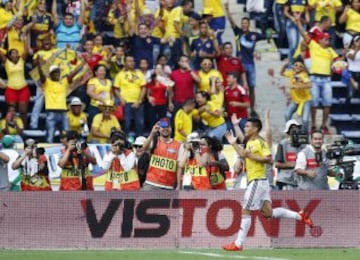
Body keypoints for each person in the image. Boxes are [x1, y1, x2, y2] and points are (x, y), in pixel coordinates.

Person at [223, 118, 314, 251]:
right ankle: (299, 216)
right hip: (260, 181)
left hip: (257, 180)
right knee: (268, 213)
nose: (245, 128)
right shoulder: (251, 142)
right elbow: (244, 154)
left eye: (247, 126)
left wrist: (251, 156)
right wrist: (233, 143)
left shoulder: (258, 142)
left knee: (246, 210)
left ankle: (238, 244)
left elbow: (268, 158)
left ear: (255, 129)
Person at [296, 20, 339, 134]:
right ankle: (314, 125)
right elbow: (304, 35)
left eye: (328, 39)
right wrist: (298, 23)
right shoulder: (314, 46)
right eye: (325, 39)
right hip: (314, 78)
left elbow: (338, 62)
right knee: (314, 103)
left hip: (326, 79)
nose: (327, 41)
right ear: (319, 40)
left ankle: (324, 125)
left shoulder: (331, 50)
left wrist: (340, 61)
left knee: (327, 103)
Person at [225, 4, 264, 118]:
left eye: (246, 23)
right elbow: (232, 23)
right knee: (240, 87)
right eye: (242, 24)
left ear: (249, 25)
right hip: (239, 65)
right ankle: (241, 109)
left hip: (250, 64)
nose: (244, 25)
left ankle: (252, 109)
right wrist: (227, 10)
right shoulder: (238, 32)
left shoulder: (254, 35)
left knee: (251, 87)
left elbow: (266, 36)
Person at [38, 59, 83, 143]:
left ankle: (68, 152)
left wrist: (82, 64)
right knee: (50, 135)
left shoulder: (64, 82)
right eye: (54, 73)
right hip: (51, 112)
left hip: (63, 112)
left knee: (67, 134)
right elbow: (41, 75)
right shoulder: (47, 83)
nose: (57, 74)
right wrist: (39, 66)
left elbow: (73, 74)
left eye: (58, 72)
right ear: (50, 75)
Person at [142, 117, 183, 190]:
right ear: (159, 129)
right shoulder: (154, 140)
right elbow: (144, 148)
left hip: (168, 186)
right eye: (163, 127)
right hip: (151, 184)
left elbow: (179, 167)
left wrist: (179, 185)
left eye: (168, 127)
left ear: (171, 128)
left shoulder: (179, 145)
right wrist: (152, 133)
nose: (165, 129)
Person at [113, 55, 147, 137]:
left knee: (140, 123)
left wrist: (139, 101)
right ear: (125, 63)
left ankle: (140, 143)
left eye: (133, 61)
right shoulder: (120, 75)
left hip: (137, 103)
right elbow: (115, 89)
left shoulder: (139, 74)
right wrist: (121, 99)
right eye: (129, 61)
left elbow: (144, 88)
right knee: (126, 124)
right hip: (125, 103)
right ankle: (124, 141)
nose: (132, 63)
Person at [0, 44, 30, 127]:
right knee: (10, 111)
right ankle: (9, 129)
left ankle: (22, 129)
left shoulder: (21, 61)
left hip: (23, 89)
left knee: (23, 111)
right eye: (13, 53)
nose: (15, 54)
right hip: (11, 90)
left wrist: (24, 38)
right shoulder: (6, 62)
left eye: (16, 53)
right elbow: (1, 54)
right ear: (9, 55)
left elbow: (26, 50)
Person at [280, 59, 312, 133]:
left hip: (305, 101)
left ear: (303, 68)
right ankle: (290, 131)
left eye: (300, 66)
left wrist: (299, 86)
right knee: (287, 115)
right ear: (293, 67)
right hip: (296, 100)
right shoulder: (292, 73)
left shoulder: (304, 75)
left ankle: (305, 134)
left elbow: (310, 84)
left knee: (305, 120)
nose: (298, 67)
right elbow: (281, 73)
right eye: (296, 65)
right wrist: (285, 65)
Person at [275, 119, 303, 190]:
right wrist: (292, 164)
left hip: (300, 181)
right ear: (288, 132)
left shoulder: (304, 145)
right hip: (285, 180)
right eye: (292, 128)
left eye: (296, 127)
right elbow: (277, 164)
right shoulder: (282, 144)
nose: (295, 130)